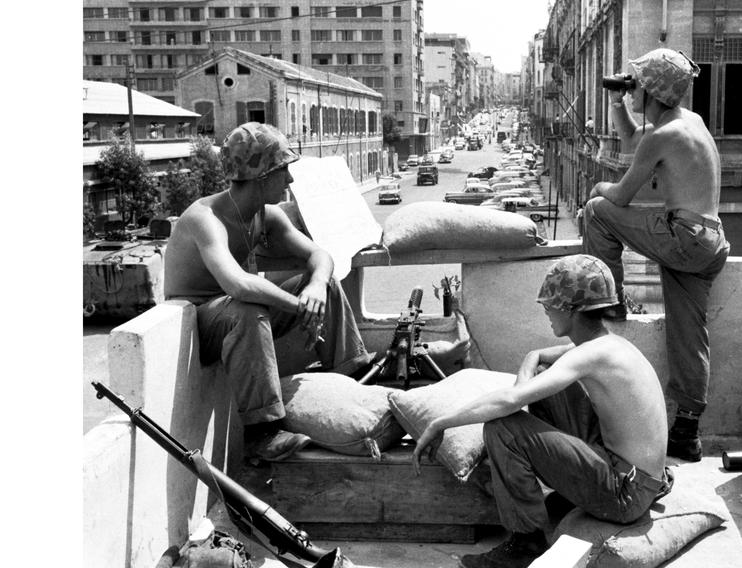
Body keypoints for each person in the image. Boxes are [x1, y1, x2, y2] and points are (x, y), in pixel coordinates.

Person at [413, 255, 673, 568]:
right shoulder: (604, 344)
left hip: (625, 493)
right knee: (542, 376)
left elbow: (508, 402)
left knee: (502, 429)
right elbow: (536, 356)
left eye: (551, 305)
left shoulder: (591, 354)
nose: (546, 310)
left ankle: (526, 542)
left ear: (572, 309)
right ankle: (558, 486)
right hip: (639, 477)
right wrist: (524, 383)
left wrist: (442, 422)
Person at [164, 122, 372, 461]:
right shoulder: (206, 218)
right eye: (284, 171)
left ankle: (356, 377)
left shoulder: (266, 215)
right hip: (199, 323)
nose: (289, 180)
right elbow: (239, 285)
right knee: (248, 308)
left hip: (235, 311)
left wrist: (316, 288)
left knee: (324, 283)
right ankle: (263, 433)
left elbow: (320, 255)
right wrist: (300, 308)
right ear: (262, 177)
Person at [581, 48, 730, 462]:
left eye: (636, 86)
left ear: (652, 92)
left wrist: (599, 189)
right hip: (709, 242)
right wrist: (617, 103)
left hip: (685, 238)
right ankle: (687, 431)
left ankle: (607, 303)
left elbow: (622, 194)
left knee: (598, 211)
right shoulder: (688, 123)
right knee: (689, 334)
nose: (631, 91)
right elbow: (632, 140)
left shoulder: (666, 135)